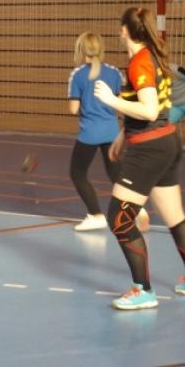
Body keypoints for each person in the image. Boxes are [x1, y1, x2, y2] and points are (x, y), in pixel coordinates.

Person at [94, 6, 185, 310]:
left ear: (124, 31)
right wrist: (123, 135)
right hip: (166, 142)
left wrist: (111, 100)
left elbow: (148, 109)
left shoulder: (140, 62)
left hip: (149, 150)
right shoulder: (152, 57)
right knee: (175, 217)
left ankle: (143, 291)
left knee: (119, 219)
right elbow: (155, 108)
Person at [68, 32, 123, 231]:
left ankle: (96, 215)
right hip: (111, 131)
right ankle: (136, 209)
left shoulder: (77, 75)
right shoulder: (115, 72)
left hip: (90, 133)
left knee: (77, 173)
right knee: (116, 174)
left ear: (81, 50)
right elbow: (120, 102)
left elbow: (73, 109)